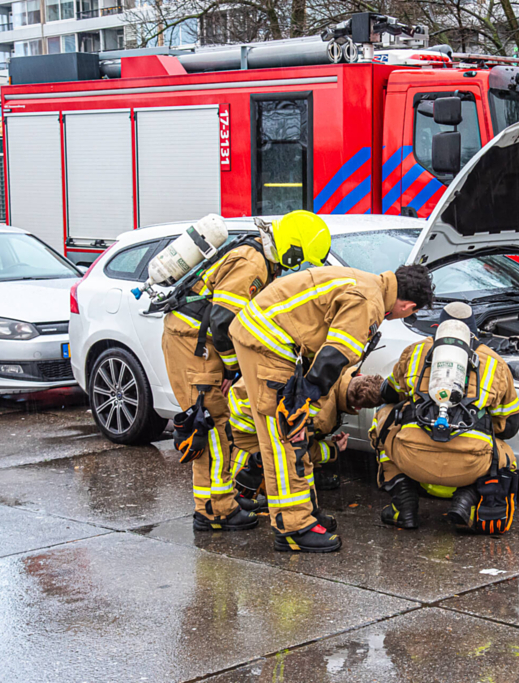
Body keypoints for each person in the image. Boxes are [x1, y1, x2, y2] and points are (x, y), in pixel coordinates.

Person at [228, 263, 434, 552]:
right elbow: (335, 353)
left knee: (294, 434)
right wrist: (304, 397)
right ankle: (294, 527)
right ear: (409, 306)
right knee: (287, 436)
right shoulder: (369, 301)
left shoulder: (365, 282)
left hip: (265, 335)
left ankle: (305, 512)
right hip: (268, 344)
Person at [163, 210, 331, 533]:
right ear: (292, 249)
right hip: (194, 345)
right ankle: (214, 512)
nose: (297, 267)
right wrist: (230, 368)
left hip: (197, 341)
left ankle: (220, 501)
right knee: (209, 426)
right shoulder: (253, 263)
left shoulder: (257, 256)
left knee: (218, 427)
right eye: (300, 259)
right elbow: (223, 320)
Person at [369, 302, 519, 535]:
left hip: (411, 456)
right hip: (471, 464)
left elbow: (387, 393)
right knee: (504, 454)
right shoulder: (495, 364)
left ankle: (403, 503)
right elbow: (509, 426)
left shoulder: (416, 351)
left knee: (383, 416)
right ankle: (469, 496)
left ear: (437, 328)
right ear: (474, 332)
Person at [227, 367, 386, 511]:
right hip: (245, 427)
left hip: (245, 400)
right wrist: (333, 449)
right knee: (279, 463)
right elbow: (300, 448)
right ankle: (241, 488)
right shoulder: (321, 415)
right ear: (358, 408)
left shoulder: (332, 371)